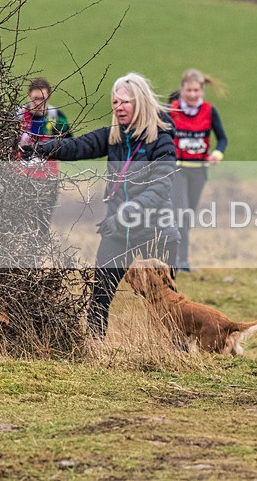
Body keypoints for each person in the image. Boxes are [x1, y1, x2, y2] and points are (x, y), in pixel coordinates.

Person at [34, 73, 180, 337]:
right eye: (115, 102)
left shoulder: (163, 139)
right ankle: (95, 349)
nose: (118, 107)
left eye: (125, 102)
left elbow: (160, 187)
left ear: (141, 102)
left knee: (166, 306)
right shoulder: (114, 136)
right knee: (99, 295)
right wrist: (40, 149)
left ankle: (177, 355)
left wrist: (126, 213)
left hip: (156, 231)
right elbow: (77, 146)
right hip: (119, 232)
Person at [168, 69, 229, 272]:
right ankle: (179, 262)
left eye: (196, 90)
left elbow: (222, 138)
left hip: (199, 171)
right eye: (188, 91)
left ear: (202, 90)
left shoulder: (209, 111)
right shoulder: (172, 111)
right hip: (178, 170)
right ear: (182, 90)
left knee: (187, 217)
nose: (192, 95)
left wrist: (217, 154)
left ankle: (179, 259)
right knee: (181, 215)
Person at [16, 77, 73, 237]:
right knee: (16, 224)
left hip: (47, 179)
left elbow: (71, 146)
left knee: (41, 226)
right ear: (28, 96)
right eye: (35, 99)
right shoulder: (18, 117)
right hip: (19, 177)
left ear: (48, 97)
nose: (39, 103)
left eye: (42, 99)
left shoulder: (56, 117)